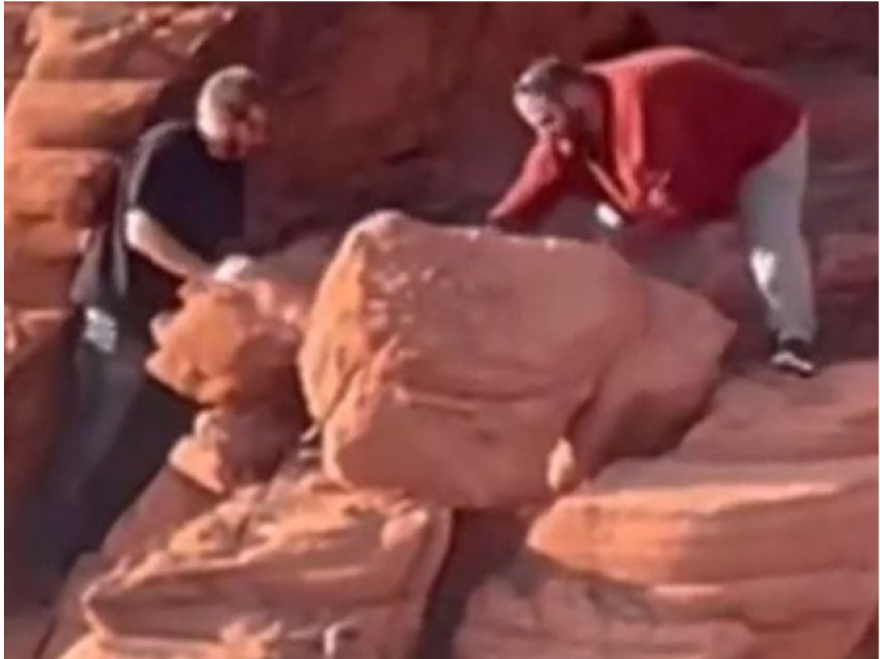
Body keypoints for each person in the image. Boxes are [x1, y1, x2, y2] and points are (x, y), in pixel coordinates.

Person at [18, 65, 268, 596]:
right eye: (253, 129)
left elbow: (221, 243)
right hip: (116, 314)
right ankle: (37, 562)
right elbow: (140, 231)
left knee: (140, 438)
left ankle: (87, 551)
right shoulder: (169, 150)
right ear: (227, 115)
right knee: (92, 439)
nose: (258, 143)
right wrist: (206, 277)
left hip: (159, 324)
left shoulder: (230, 168)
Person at [488, 47, 817, 377]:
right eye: (535, 127)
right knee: (614, 229)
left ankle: (793, 341)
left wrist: (641, 238)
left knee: (770, 239)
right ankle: (654, 333)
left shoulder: (646, 104)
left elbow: (679, 196)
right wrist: (495, 232)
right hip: (683, 173)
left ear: (576, 96)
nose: (544, 134)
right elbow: (536, 185)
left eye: (547, 121)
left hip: (762, 143)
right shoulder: (566, 133)